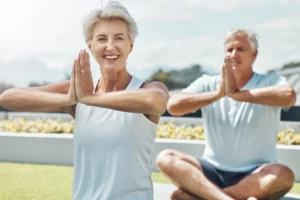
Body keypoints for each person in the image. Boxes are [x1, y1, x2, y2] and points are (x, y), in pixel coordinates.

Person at [0, 2, 169, 200]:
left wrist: (91, 98)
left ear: (130, 45)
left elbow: (156, 101)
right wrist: (69, 98)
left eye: (119, 38)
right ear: (90, 46)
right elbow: (8, 98)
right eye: (101, 38)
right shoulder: (78, 93)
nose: (110, 46)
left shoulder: (145, 90)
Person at [156, 28, 296, 200]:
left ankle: (205, 197)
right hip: (211, 171)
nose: (234, 53)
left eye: (241, 49)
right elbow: (173, 106)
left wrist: (238, 95)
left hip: (255, 174)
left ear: (254, 54)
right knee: (166, 158)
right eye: (230, 49)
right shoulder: (208, 83)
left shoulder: (270, 82)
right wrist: (218, 94)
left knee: (283, 175)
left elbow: (288, 96)